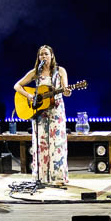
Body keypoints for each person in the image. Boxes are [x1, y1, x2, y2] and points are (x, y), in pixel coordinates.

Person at [13, 45, 71, 185]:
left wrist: (67, 91)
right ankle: (41, 178)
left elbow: (65, 90)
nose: (43, 56)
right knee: (41, 144)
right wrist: (29, 95)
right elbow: (17, 85)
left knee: (57, 143)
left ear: (52, 55)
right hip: (40, 112)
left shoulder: (60, 71)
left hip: (56, 110)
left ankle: (58, 178)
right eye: (41, 54)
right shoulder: (35, 72)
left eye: (46, 54)